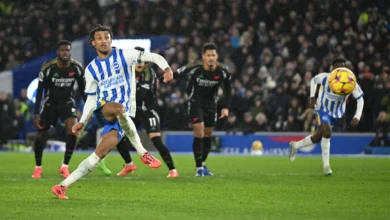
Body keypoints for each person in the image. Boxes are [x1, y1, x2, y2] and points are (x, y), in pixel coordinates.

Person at [51, 24, 173, 199]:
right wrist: (83, 121)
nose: (104, 40)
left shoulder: (125, 55)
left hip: (124, 115)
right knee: (117, 108)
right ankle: (143, 154)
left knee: (97, 156)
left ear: (111, 40)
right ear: (93, 43)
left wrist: (167, 68)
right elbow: (92, 99)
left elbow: (152, 56)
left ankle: (62, 186)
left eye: (107, 37)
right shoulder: (91, 69)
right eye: (99, 38)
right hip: (105, 109)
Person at [289, 58, 364, 175]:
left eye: (343, 67)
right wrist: (312, 97)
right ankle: (326, 166)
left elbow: (360, 99)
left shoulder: (350, 82)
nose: (340, 69)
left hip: (337, 113)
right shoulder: (325, 77)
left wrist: (357, 116)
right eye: (337, 67)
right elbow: (314, 81)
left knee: (318, 137)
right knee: (327, 132)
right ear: (332, 69)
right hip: (322, 108)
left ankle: (296, 145)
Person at [114, 51, 179, 178]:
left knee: (156, 140)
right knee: (117, 136)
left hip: (147, 111)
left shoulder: (150, 73)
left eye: (141, 60)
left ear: (145, 62)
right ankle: (129, 164)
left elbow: (142, 92)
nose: (138, 63)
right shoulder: (129, 72)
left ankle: (173, 170)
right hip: (132, 111)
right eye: (136, 60)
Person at [176, 43, 232, 177]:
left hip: (212, 104)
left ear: (217, 56)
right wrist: (162, 79)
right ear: (203, 57)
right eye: (208, 55)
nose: (211, 58)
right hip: (196, 102)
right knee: (199, 131)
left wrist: (225, 107)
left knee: (208, 134)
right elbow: (177, 73)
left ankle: (202, 164)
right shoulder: (195, 67)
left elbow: (228, 89)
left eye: (213, 55)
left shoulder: (223, 70)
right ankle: (199, 168)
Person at [32, 40, 85, 179]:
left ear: (70, 51)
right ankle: (38, 167)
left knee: (73, 132)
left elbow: (82, 90)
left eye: (67, 50)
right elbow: (39, 91)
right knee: (41, 136)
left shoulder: (77, 68)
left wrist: (86, 108)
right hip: (50, 105)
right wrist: (36, 113)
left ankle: (65, 166)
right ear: (58, 52)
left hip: (67, 104)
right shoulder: (48, 68)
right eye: (62, 50)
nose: (65, 53)